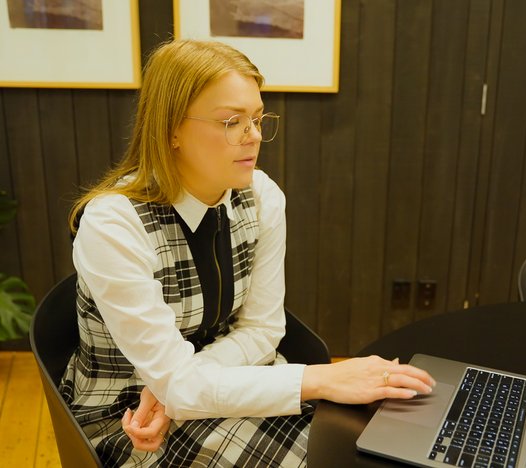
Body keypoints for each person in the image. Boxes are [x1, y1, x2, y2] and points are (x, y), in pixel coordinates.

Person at [61, 39, 436, 467]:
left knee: (367, 445)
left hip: (204, 383)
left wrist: (180, 384)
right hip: (131, 413)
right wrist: (321, 377)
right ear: (171, 130)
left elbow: (261, 330)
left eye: (257, 119)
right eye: (231, 121)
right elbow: (179, 386)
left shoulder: (261, 198)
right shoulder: (113, 224)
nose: (253, 137)